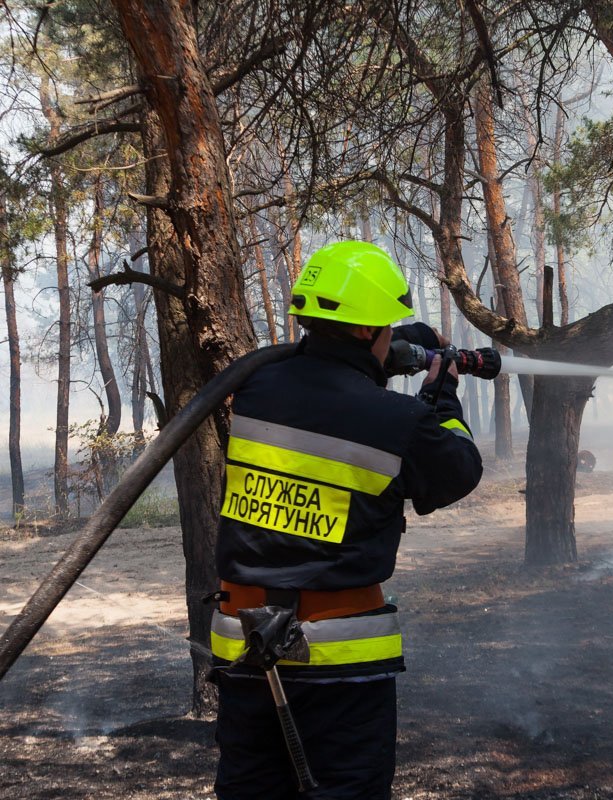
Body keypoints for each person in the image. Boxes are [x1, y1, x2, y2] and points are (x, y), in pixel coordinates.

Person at [208, 240, 483, 799]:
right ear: (365, 329)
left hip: (244, 647)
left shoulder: (255, 386)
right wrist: (442, 398)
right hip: (339, 661)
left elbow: (328, 385)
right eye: (385, 325)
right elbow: (459, 469)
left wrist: (398, 346)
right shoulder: (398, 419)